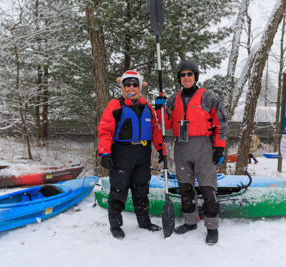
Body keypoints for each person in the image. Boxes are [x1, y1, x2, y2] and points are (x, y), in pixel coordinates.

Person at [155, 59, 227, 245]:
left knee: (207, 188)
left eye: (190, 74)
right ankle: (190, 221)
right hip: (181, 146)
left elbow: (221, 123)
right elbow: (166, 125)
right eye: (183, 74)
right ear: (179, 78)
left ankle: (212, 226)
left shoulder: (208, 97)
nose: (186, 77)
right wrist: (159, 109)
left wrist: (219, 146)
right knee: (185, 187)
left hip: (204, 146)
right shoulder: (173, 100)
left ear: (195, 76)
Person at [97, 70, 167, 239]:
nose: (131, 88)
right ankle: (115, 224)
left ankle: (144, 221)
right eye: (127, 84)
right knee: (119, 190)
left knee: (141, 189)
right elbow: (105, 130)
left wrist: (162, 150)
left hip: (143, 154)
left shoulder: (147, 106)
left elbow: (156, 131)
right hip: (121, 153)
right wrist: (105, 152)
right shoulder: (115, 105)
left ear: (140, 86)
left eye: (134, 84)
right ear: (122, 86)